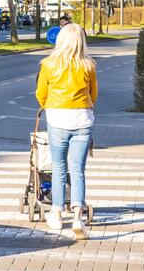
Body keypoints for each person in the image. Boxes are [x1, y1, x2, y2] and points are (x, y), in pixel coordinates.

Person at [34, 21, 98, 238]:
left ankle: (57, 213)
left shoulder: (48, 64)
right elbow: (94, 94)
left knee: (59, 168)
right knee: (78, 169)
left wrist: (48, 105)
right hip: (82, 120)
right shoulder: (88, 65)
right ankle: (78, 216)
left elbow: (41, 93)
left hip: (57, 119)